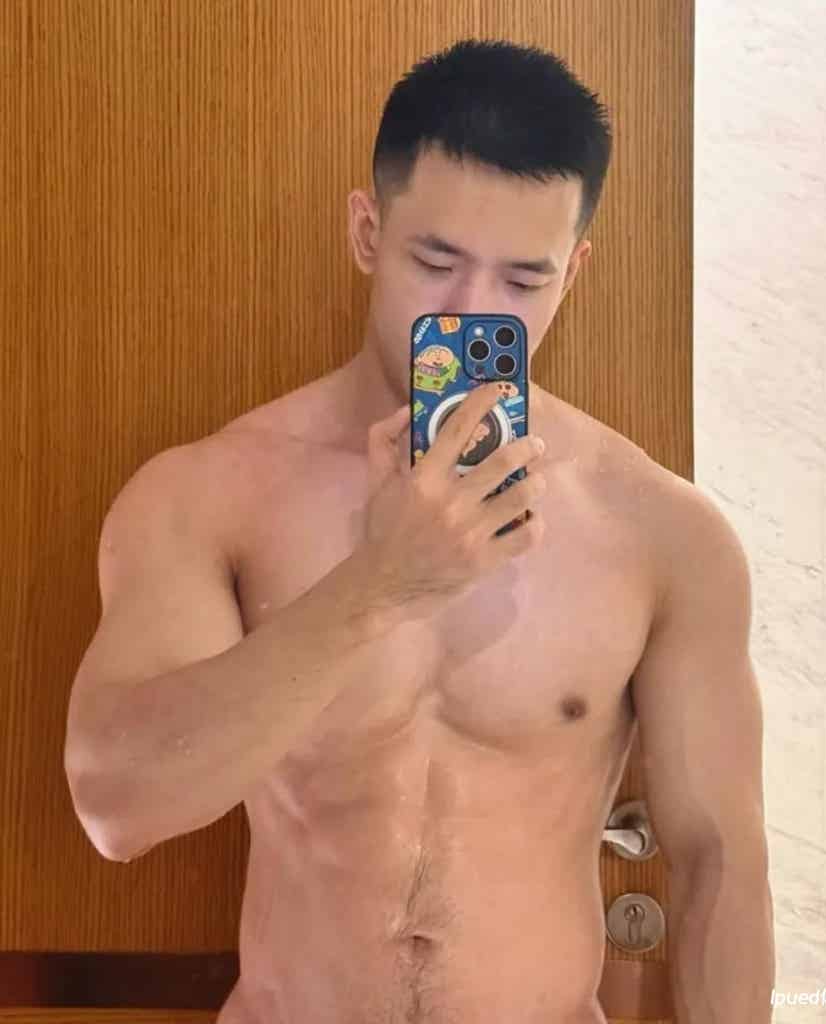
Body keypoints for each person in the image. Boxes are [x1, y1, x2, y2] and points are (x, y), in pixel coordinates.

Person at [64, 37, 775, 1024]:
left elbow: (719, 861)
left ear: (573, 272)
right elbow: (117, 807)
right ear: (368, 232)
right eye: (435, 261)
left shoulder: (660, 533)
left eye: (521, 282)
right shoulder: (209, 496)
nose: (470, 314)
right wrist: (379, 584)